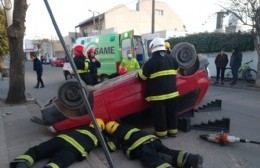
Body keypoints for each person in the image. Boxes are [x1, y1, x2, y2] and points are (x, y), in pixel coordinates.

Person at [9, 118, 113, 168]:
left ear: (91, 123)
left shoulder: (83, 127)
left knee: (37, 151)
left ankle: (22, 163)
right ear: (102, 128)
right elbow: (110, 147)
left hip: (61, 140)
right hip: (75, 149)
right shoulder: (101, 136)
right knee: (58, 163)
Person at [105, 121, 203, 168]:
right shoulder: (128, 125)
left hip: (141, 146)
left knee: (151, 159)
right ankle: (191, 159)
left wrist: (106, 140)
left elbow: (111, 147)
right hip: (153, 140)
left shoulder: (116, 134)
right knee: (167, 152)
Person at [136, 38, 179, 138]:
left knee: (160, 115)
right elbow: (177, 68)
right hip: (173, 93)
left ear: (152, 49)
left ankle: (161, 134)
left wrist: (137, 74)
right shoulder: (171, 58)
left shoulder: (150, 62)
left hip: (158, 96)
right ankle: (173, 132)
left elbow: (142, 77)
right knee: (172, 113)